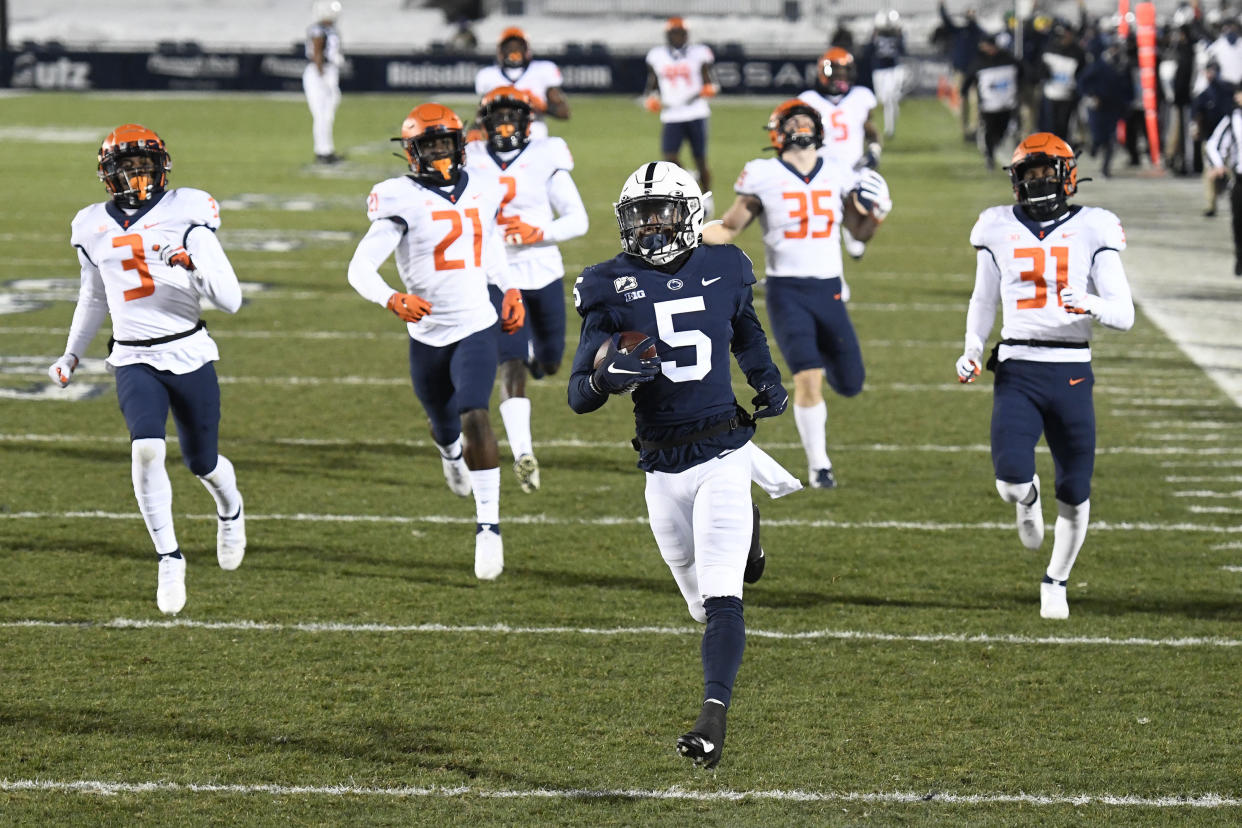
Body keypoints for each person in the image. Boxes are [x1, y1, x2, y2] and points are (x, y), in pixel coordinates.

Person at [568, 160, 791, 769]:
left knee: (722, 600)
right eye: (638, 216)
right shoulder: (607, 284)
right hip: (661, 465)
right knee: (696, 603)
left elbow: (745, 330)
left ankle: (712, 719)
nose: (648, 226)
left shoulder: (726, 265)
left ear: (689, 212)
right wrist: (604, 379)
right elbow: (576, 395)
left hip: (722, 449)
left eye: (660, 212)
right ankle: (751, 530)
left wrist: (766, 381)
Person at [48, 124, 247, 615]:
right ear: (108, 174)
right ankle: (169, 557)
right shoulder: (90, 223)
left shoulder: (189, 212)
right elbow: (94, 296)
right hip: (133, 355)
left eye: (145, 165)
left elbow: (232, 300)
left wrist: (190, 265)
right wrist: (72, 352)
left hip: (187, 351)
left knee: (203, 462)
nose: (139, 175)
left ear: (162, 167)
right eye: (129, 167)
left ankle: (230, 507)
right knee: (146, 450)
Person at [955, 132, 1134, 619]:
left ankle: (1055, 579)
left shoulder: (1093, 226)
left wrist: (1090, 303)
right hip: (1017, 365)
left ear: (1067, 176)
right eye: (1028, 174)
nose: (1037, 182)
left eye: (1045, 172)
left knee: (1075, 490)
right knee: (1011, 482)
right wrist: (972, 348)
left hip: (1072, 367)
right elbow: (983, 299)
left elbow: (1125, 314)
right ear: (1016, 180)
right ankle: (1027, 500)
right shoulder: (995, 226)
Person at [347, 103, 527, 579]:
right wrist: (391, 299)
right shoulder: (397, 198)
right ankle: (450, 456)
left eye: (445, 142)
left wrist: (508, 287)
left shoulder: (482, 187)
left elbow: (487, 243)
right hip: (427, 331)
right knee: (443, 423)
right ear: (411, 151)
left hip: (475, 322)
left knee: (475, 410)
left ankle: (488, 526)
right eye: (429, 144)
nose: (439, 151)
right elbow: (360, 266)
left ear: (459, 144)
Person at [703, 100, 892, 489]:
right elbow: (731, 226)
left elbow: (859, 232)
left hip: (829, 289)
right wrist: (690, 234)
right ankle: (819, 465)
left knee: (852, 382)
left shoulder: (838, 170)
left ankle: (820, 451)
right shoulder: (764, 174)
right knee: (808, 378)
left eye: (808, 121)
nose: (802, 126)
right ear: (778, 131)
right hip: (787, 291)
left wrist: (877, 214)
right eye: (794, 121)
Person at [465, 86, 589, 492]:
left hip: (543, 270)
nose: (504, 126)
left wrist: (539, 232)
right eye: (495, 118)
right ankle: (523, 453)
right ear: (484, 123)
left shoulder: (546, 154)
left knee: (551, 362)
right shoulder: (469, 157)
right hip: (497, 275)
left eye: (511, 117)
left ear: (526, 121)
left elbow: (578, 220)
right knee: (511, 363)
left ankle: (535, 352)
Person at [797, 47, 881, 260]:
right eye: (836, 72)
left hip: (854, 169)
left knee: (858, 225)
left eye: (844, 72)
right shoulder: (808, 100)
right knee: (818, 227)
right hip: (821, 171)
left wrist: (874, 150)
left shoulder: (861, 97)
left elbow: (871, 129)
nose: (840, 78)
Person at [643, 17, 718, 216]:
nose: (678, 36)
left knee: (700, 158)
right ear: (668, 35)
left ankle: (707, 198)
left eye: (681, 32)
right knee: (669, 158)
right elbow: (654, 82)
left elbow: (709, 80)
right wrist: (652, 97)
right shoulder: (657, 56)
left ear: (686, 34)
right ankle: (690, 182)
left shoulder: (698, 53)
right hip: (671, 114)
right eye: (674, 33)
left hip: (696, 112)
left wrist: (708, 89)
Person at [475, 27, 569, 139]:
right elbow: (481, 115)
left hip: (535, 136)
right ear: (500, 51)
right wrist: (475, 131)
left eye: (518, 47)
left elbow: (564, 113)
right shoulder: (488, 75)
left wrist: (543, 107)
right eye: (509, 47)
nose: (514, 51)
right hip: (500, 136)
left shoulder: (543, 70)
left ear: (526, 49)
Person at [962, 34, 1022, 170]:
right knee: (989, 130)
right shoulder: (979, 61)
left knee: (1002, 130)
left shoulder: (1008, 58)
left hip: (1007, 104)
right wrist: (964, 90)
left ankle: (994, 145)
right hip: (988, 105)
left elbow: (1022, 70)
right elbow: (970, 76)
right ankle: (989, 155)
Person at [1204, 87, 1242, 276]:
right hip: (1240, 180)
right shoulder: (1233, 120)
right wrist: (1218, 164)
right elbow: (1213, 144)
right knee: (1239, 223)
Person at [303, 0, 344, 164]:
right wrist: (321, 76)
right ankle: (322, 152)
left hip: (328, 72)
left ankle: (326, 150)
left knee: (327, 115)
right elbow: (317, 53)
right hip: (320, 73)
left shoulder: (330, 30)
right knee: (321, 115)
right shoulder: (318, 30)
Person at [939, 2, 985, 141]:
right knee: (962, 101)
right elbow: (947, 21)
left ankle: (973, 128)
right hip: (961, 72)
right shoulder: (960, 31)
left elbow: (983, 34)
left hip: (974, 72)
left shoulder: (978, 32)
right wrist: (942, 7)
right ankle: (965, 130)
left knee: (975, 101)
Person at [1194, 60, 1233, 216]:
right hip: (1209, 138)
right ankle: (1211, 204)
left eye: (1214, 70)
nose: (1211, 74)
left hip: (1229, 141)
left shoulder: (1227, 92)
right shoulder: (1203, 95)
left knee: (1230, 174)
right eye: (1209, 71)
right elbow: (1196, 114)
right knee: (1208, 173)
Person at [864, 9, 908, 140]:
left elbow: (903, 51)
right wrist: (872, 37)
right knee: (882, 99)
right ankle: (895, 105)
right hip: (878, 70)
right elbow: (867, 52)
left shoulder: (896, 35)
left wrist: (901, 36)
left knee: (888, 99)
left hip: (891, 69)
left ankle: (890, 130)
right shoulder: (876, 36)